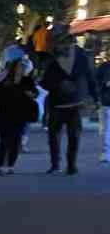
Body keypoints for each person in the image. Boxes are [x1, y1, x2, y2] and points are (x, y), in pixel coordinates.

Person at [38, 23, 98, 175]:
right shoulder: (53, 59)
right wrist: (58, 84)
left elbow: (90, 79)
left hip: (74, 103)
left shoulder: (81, 58)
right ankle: (56, 164)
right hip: (58, 103)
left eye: (63, 42)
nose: (61, 46)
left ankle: (70, 165)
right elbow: (44, 82)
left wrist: (95, 98)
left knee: (73, 136)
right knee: (55, 136)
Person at [0, 59, 37, 176]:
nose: (21, 69)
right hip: (4, 115)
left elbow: (35, 93)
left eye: (23, 67)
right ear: (14, 68)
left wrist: (31, 94)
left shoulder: (28, 81)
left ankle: (10, 166)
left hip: (20, 115)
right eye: (19, 67)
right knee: (4, 141)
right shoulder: (4, 82)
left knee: (16, 141)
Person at [96, 54, 110, 164]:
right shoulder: (104, 67)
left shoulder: (103, 67)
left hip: (105, 102)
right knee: (106, 130)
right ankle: (106, 153)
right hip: (106, 102)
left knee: (105, 130)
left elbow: (96, 82)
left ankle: (106, 153)